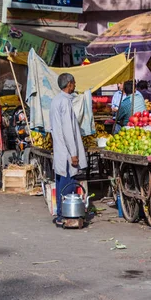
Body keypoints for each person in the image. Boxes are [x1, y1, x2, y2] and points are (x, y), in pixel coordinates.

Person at [50, 73, 87, 226]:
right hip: (66, 152)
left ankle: (60, 214)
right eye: (74, 83)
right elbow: (68, 130)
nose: (75, 85)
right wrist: (73, 154)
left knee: (61, 182)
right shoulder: (64, 103)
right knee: (68, 184)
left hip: (60, 149)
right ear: (69, 84)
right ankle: (64, 215)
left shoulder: (56, 100)